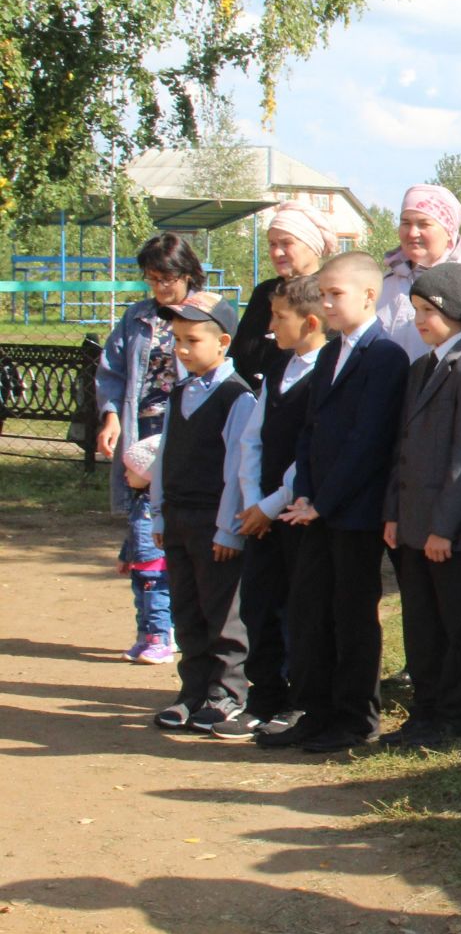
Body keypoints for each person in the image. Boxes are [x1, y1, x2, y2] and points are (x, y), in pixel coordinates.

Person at [263, 251, 412, 753]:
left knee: (351, 614)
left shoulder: (385, 356)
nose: (326, 303)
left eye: (335, 294)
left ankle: (355, 717)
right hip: (316, 508)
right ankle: (317, 709)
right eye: (322, 294)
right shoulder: (329, 353)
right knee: (311, 611)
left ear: (369, 296)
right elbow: (309, 432)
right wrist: (304, 490)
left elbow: (368, 441)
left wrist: (323, 503)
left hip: (352, 512)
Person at [381, 263, 461, 748]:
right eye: (415, 311)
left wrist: (443, 529)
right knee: (422, 622)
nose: (420, 320)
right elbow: (401, 447)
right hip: (413, 522)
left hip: (455, 529)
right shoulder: (421, 368)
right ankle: (425, 711)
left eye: (428, 311)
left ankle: (460, 713)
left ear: (455, 313)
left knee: (459, 622)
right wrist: (392, 511)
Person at [210, 274, 331, 742]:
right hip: (261, 515)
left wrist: (271, 503)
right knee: (259, 604)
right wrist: (250, 504)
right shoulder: (280, 368)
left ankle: (300, 701)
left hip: (296, 510)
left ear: (311, 321)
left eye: (279, 317)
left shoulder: (326, 371)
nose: (269, 327)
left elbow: (310, 452)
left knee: (298, 610)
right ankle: (263, 698)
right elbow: (251, 438)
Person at [148, 292, 257, 733]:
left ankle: (227, 691)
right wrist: (158, 514)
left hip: (215, 522)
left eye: (192, 339)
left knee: (223, 611)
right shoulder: (179, 393)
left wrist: (228, 529)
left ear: (223, 341)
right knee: (186, 610)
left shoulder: (238, 397)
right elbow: (163, 456)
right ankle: (191, 690)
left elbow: (239, 470)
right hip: (178, 518)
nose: (182, 349)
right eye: (177, 340)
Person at [95, 232, 204, 514]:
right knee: (142, 509)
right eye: (152, 278)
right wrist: (111, 417)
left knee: (174, 510)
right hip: (141, 427)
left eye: (166, 278)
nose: (159, 287)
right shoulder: (136, 316)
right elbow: (112, 371)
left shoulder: (207, 314)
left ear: (187, 273)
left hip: (187, 428)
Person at [377, 183, 461, 362]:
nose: (413, 233)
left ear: (448, 231)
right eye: (406, 223)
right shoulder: (383, 284)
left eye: (424, 224)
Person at [230, 200, 336, 387]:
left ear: (312, 246)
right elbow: (240, 353)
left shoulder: (329, 295)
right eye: (272, 244)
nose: (277, 252)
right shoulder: (264, 293)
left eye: (287, 243)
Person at [118, 435, 175, 666]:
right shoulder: (139, 500)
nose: (125, 475)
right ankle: (144, 639)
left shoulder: (160, 502)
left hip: (157, 563)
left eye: (131, 470)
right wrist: (124, 556)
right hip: (139, 564)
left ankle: (161, 642)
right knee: (141, 605)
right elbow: (132, 532)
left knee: (157, 604)